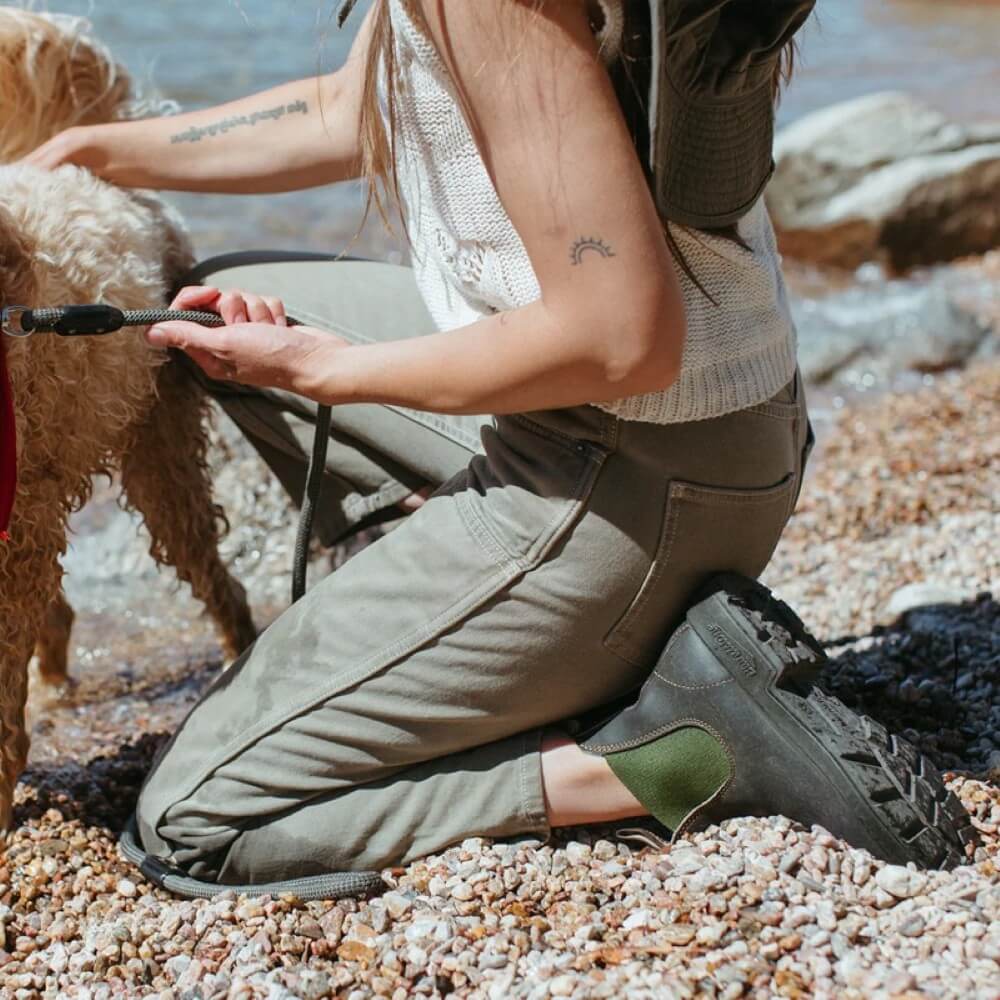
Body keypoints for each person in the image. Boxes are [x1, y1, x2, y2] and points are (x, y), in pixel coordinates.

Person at [28, 0, 971, 895]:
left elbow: (621, 337)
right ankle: (471, 619)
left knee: (196, 815)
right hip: (712, 424)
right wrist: (85, 149)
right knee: (207, 298)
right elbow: (353, 107)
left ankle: (683, 750)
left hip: (639, 469)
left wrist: (325, 369)